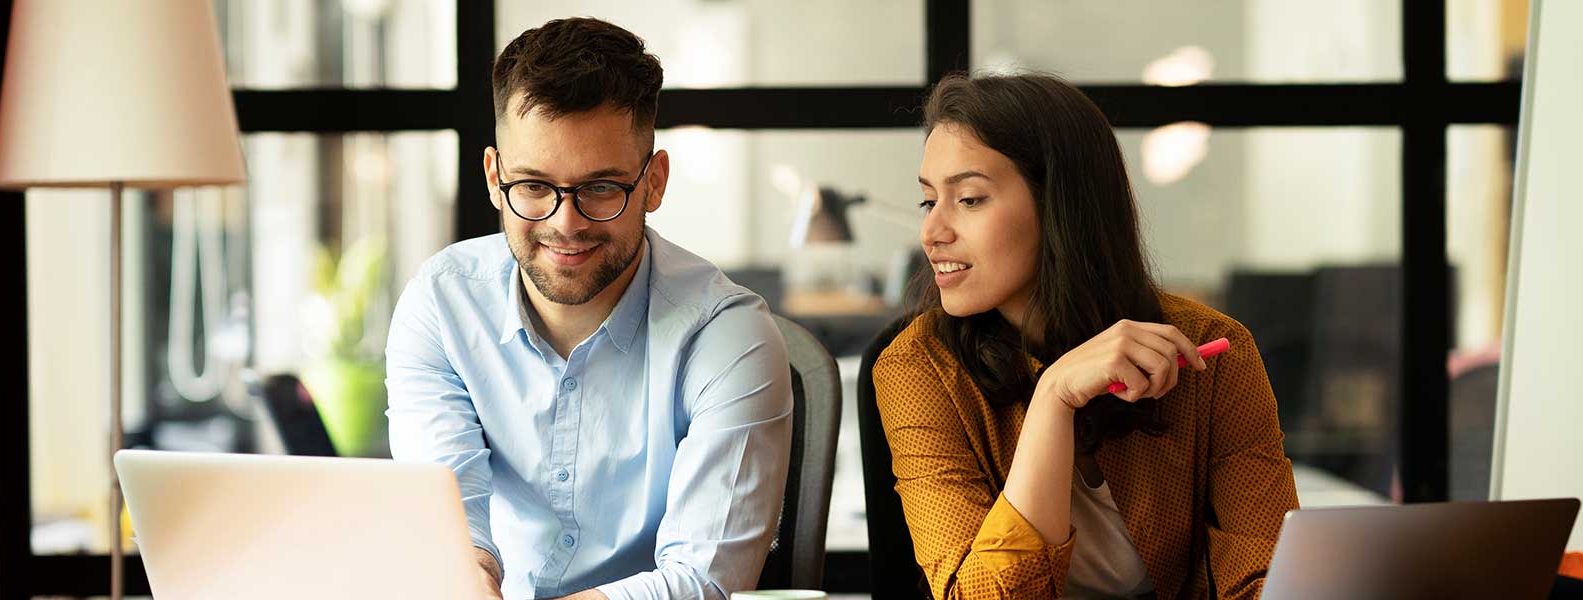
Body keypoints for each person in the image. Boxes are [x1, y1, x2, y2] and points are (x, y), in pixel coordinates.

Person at [385, 18, 792, 600]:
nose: (564, 223)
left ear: (654, 182)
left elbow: (705, 580)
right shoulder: (443, 304)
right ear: (495, 179)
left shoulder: (728, 334)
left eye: (600, 188)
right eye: (533, 186)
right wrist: (466, 575)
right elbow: (448, 530)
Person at [873, 72, 1299, 600]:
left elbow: (1270, 580)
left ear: (1060, 206)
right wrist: (1054, 396)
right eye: (928, 201)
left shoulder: (1212, 350)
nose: (932, 232)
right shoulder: (916, 369)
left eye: (970, 199)